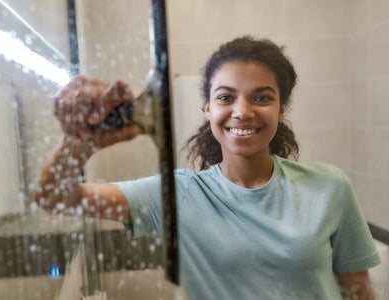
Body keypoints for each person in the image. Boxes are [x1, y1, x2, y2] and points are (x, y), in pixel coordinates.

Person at [36, 36, 381, 299]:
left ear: (281, 110)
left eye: (262, 97)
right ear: (207, 110)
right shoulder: (178, 194)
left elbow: (357, 289)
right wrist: (82, 141)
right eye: (226, 97)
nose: (242, 111)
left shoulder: (330, 186)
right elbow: (53, 197)